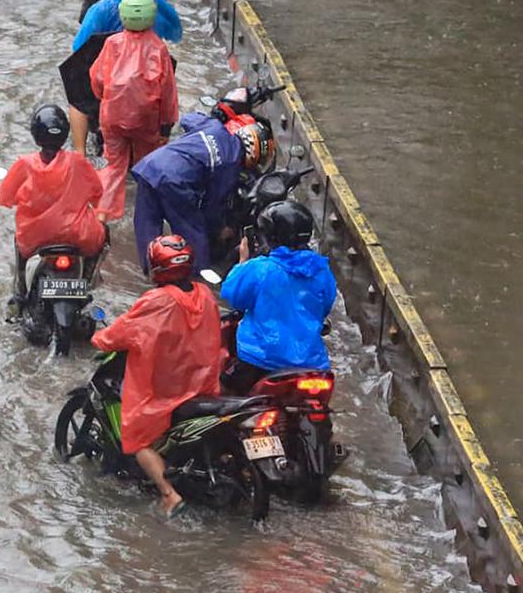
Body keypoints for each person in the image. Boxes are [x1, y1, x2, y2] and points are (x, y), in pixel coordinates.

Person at [90, 236, 226, 517]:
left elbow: (125, 331)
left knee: (136, 437)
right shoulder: (204, 294)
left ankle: (169, 494)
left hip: (167, 386)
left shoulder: (157, 300)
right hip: (202, 381)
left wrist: (100, 337)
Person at [130, 112, 275, 274]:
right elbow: (212, 205)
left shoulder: (214, 127)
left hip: (151, 166)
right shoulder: (230, 165)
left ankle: (150, 271)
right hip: (176, 183)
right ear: (254, 152)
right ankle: (196, 281)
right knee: (195, 237)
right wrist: (220, 229)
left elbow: (187, 118)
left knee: (147, 225)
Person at [220, 201, 337, 393]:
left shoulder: (259, 268)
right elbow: (324, 306)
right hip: (311, 364)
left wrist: (242, 263)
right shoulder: (321, 271)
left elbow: (233, 297)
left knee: (222, 393)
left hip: (259, 360)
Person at [0, 105, 107, 304]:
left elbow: (6, 198)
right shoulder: (77, 162)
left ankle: (20, 290)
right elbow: (97, 192)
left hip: (36, 237)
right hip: (79, 236)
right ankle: (88, 280)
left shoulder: (24, 163)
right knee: (104, 233)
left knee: (18, 242)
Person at [88, 0, 178, 221]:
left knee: (113, 166)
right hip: (146, 122)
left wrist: (104, 99)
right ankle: (148, 215)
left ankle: (102, 217)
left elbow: (97, 78)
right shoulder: (158, 48)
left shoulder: (112, 43)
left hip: (113, 118)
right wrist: (166, 128)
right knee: (147, 167)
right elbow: (167, 92)